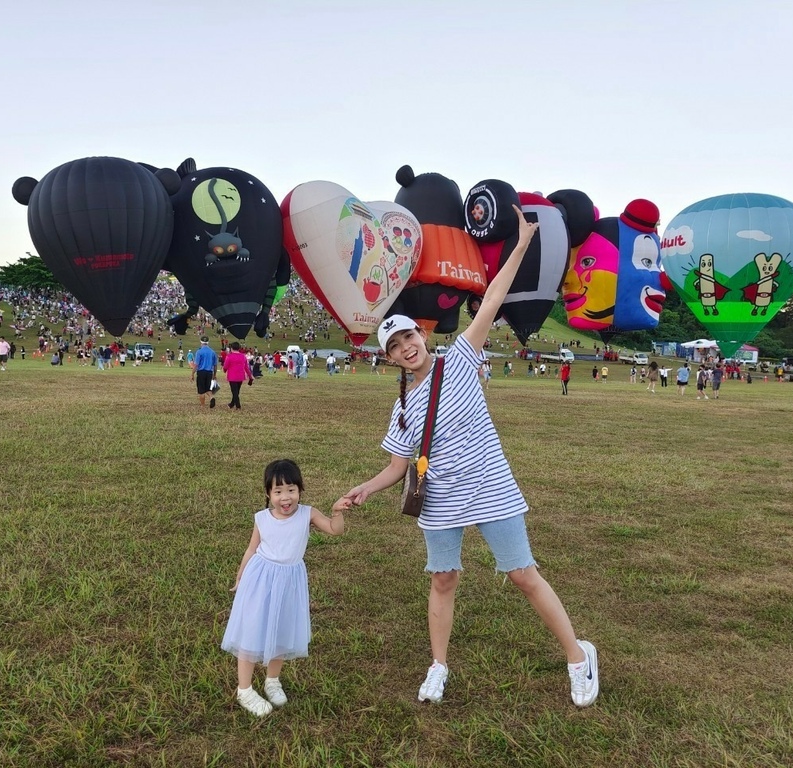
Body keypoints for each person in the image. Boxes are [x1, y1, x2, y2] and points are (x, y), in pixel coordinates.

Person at [340, 205, 599, 709]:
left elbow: (492, 297)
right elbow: (398, 465)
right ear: (390, 357)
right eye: (395, 345)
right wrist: (366, 488)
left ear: (423, 335)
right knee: (443, 579)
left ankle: (577, 655)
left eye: (410, 336)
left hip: (491, 488)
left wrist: (522, 243)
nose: (406, 347)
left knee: (523, 574)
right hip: (439, 502)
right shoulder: (401, 404)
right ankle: (438, 666)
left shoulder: (461, 357)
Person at [221, 459, 349, 717]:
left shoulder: (308, 514)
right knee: (252, 630)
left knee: (281, 629)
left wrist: (337, 511)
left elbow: (335, 530)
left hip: (290, 581)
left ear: (300, 490)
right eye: (278, 491)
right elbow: (251, 549)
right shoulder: (262, 518)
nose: (285, 497)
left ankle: (272, 680)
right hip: (260, 580)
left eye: (291, 489)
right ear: (268, 494)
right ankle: (244, 689)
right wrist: (240, 576)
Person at [222, 341, 255, 410]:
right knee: (236, 391)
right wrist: (250, 376)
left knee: (234, 392)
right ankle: (231, 404)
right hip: (240, 376)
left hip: (232, 376)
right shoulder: (243, 356)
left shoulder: (229, 356)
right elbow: (246, 367)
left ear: (231, 348)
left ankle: (238, 406)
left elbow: (225, 366)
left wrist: (225, 370)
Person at [194, 336, 219, 408]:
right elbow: (215, 365)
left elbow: (196, 364)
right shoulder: (212, 352)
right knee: (208, 388)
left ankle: (203, 405)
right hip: (209, 372)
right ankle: (211, 397)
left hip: (201, 372)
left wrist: (192, 373)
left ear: (201, 342)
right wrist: (214, 374)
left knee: (201, 390)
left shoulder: (199, 351)